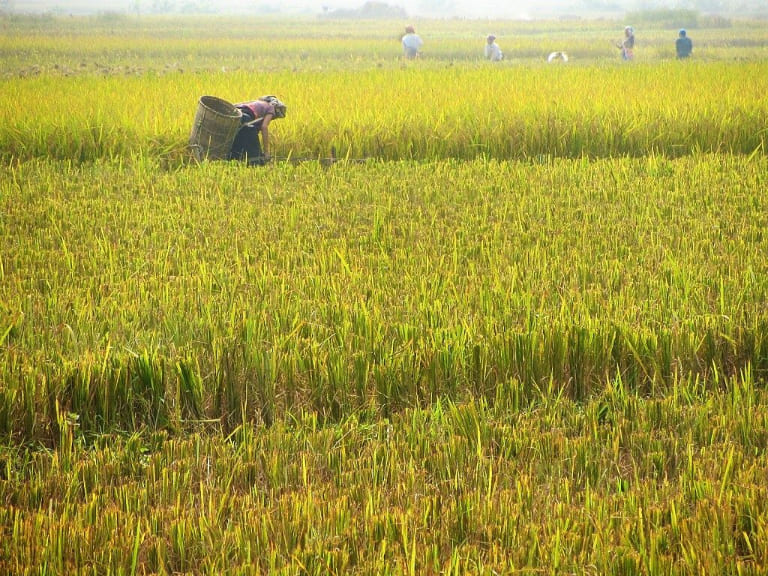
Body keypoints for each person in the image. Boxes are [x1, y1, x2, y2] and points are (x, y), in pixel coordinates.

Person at [229, 95, 286, 165]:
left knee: (239, 144)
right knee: (255, 152)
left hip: (237, 116)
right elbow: (264, 127)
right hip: (245, 119)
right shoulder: (271, 108)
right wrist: (266, 152)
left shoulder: (258, 103)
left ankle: (235, 161)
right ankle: (256, 164)